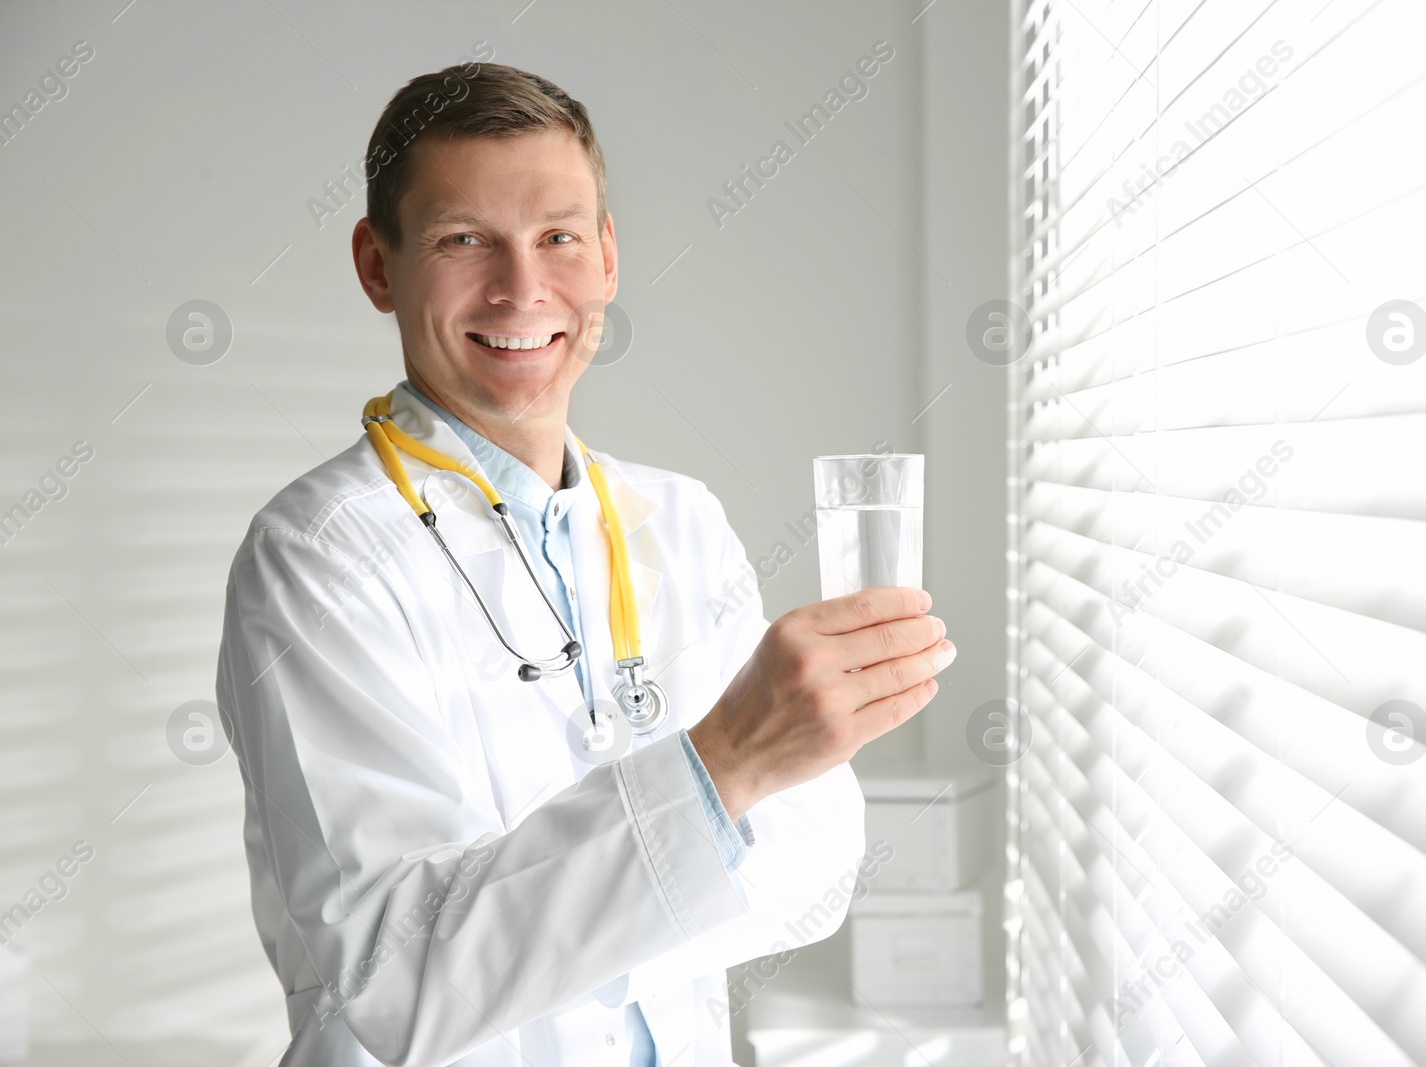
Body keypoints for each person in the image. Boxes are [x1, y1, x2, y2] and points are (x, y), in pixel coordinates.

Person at [215, 61, 957, 1067]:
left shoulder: (679, 517)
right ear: (378, 265)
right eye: (463, 239)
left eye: (558, 236)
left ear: (606, 255)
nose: (522, 287)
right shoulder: (322, 554)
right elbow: (393, 982)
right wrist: (721, 768)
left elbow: (817, 869)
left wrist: (601, 882)